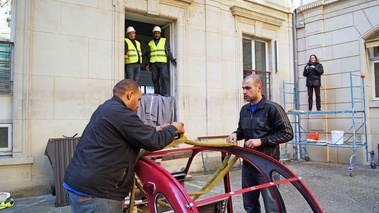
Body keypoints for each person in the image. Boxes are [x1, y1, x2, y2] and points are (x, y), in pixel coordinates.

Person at [63, 79, 185, 213]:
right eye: (138, 100)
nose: (139, 106)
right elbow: (153, 142)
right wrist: (173, 128)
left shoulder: (107, 108)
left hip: (80, 185)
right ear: (129, 95)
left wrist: (156, 129)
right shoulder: (121, 114)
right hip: (99, 193)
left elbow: (133, 131)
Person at [226, 74, 293, 213]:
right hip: (248, 165)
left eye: (248, 88)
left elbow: (287, 133)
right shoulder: (244, 110)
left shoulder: (273, 108)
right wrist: (235, 134)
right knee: (250, 206)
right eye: (243, 88)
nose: (244, 91)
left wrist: (261, 141)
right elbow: (242, 130)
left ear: (259, 88)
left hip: (267, 165)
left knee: (273, 206)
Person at [146, 26, 176, 96]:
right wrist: (147, 64)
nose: (157, 34)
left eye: (158, 33)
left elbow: (168, 51)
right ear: (153, 34)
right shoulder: (150, 43)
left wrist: (172, 60)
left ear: (160, 34)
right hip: (153, 63)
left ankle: (164, 92)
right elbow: (148, 54)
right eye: (155, 33)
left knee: (164, 77)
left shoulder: (164, 41)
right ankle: (157, 92)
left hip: (162, 62)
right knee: (155, 78)